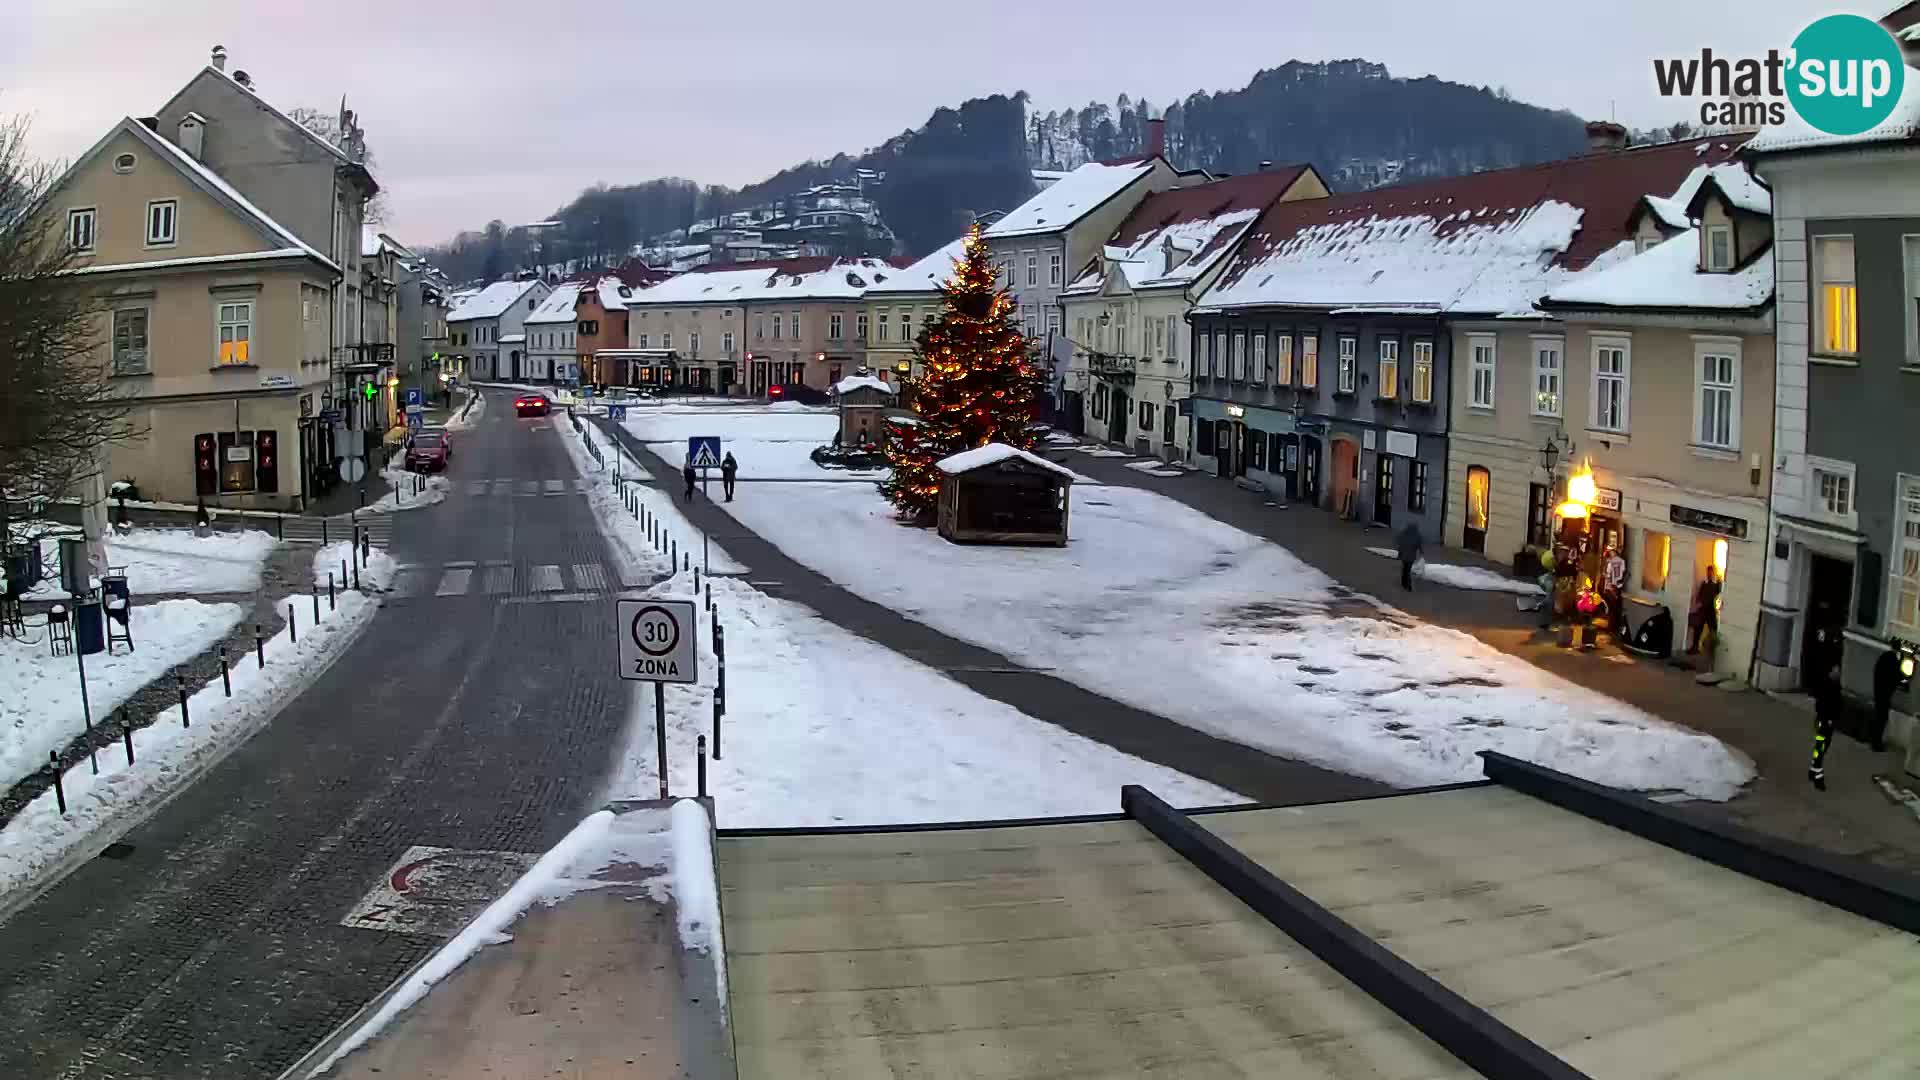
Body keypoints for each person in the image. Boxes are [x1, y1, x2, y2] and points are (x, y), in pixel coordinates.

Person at [1810, 663, 1845, 790]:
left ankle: (1814, 770)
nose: (1839, 673)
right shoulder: (1827, 685)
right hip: (1824, 722)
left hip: (1827, 722)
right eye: (1837, 670)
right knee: (1821, 747)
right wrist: (1827, 719)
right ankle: (1818, 777)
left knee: (1821, 747)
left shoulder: (1834, 685)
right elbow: (1822, 705)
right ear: (1831, 671)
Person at [1686, 568, 1721, 655]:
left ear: (1714, 573)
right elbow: (1700, 596)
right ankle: (1695, 647)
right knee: (1698, 629)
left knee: (1713, 630)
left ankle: (1713, 651)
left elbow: (1719, 596)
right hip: (1703, 609)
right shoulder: (1704, 584)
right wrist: (1698, 602)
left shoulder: (1716, 585)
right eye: (1708, 573)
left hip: (1711, 611)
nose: (1709, 574)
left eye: (1711, 573)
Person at [1601, 546, 1627, 636]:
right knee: (1614, 608)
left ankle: (1611, 627)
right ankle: (1614, 627)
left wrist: (1605, 575)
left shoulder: (1611, 562)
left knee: (1611, 609)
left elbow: (1608, 574)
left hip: (1611, 587)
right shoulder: (1621, 561)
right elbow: (1622, 573)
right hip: (1617, 587)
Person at [1394, 522, 1423, 592]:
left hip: (1404, 557)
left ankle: (1403, 583)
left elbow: (1399, 545)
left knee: (1404, 569)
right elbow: (1419, 545)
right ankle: (1408, 586)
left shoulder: (1404, 534)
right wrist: (1421, 551)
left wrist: (1399, 554)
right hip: (1411, 557)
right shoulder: (1417, 536)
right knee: (1408, 571)